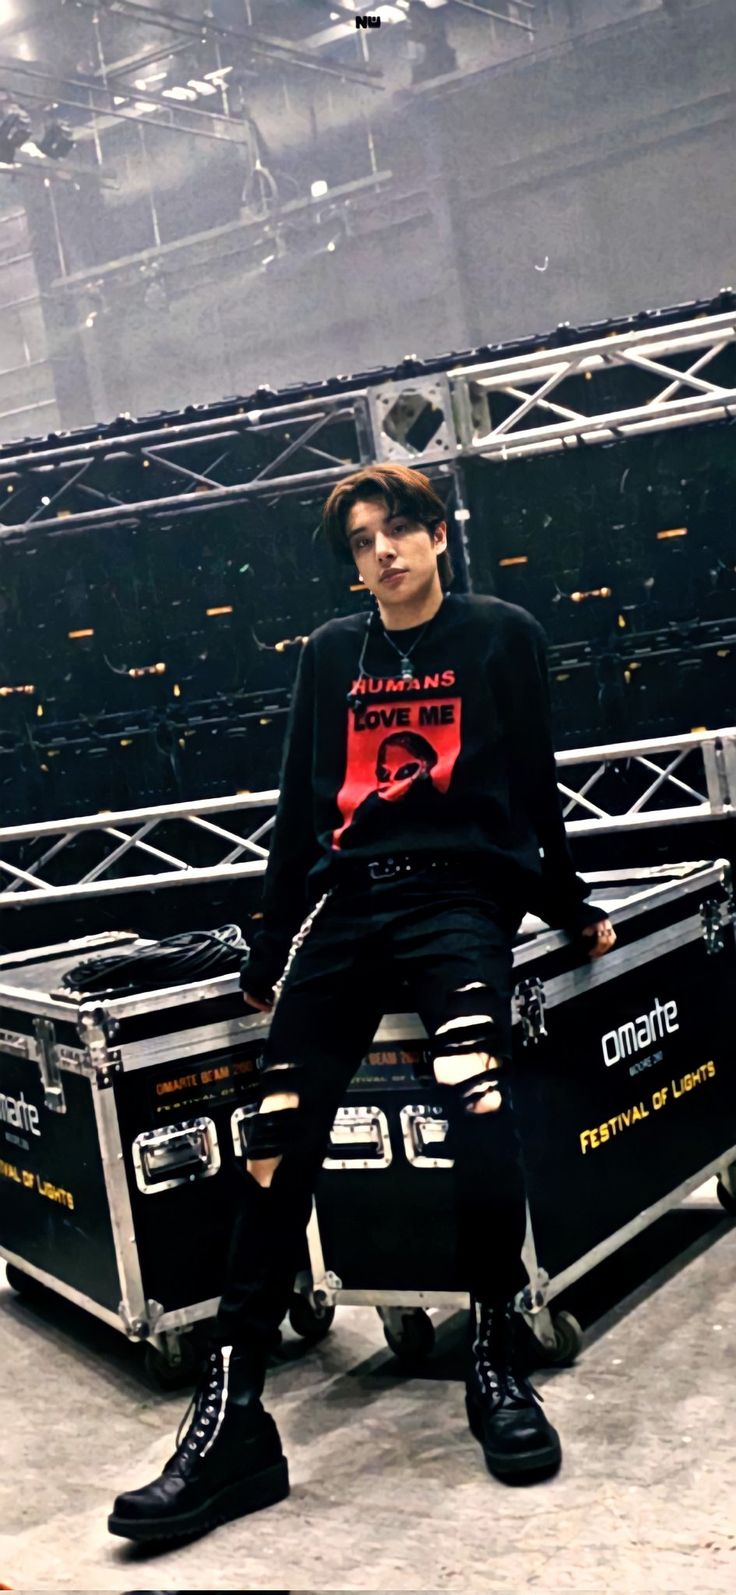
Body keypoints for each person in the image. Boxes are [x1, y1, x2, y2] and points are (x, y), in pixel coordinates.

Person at [109, 465, 617, 1544]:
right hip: (349, 908)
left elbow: (535, 781)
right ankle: (233, 1413)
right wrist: (268, 938)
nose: (382, 552)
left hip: (460, 898)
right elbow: (301, 804)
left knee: (475, 1096)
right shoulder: (331, 655)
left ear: (437, 535)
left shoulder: (500, 634)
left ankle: (492, 1348)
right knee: (274, 1130)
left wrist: (568, 903)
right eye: (360, 541)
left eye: (398, 531)